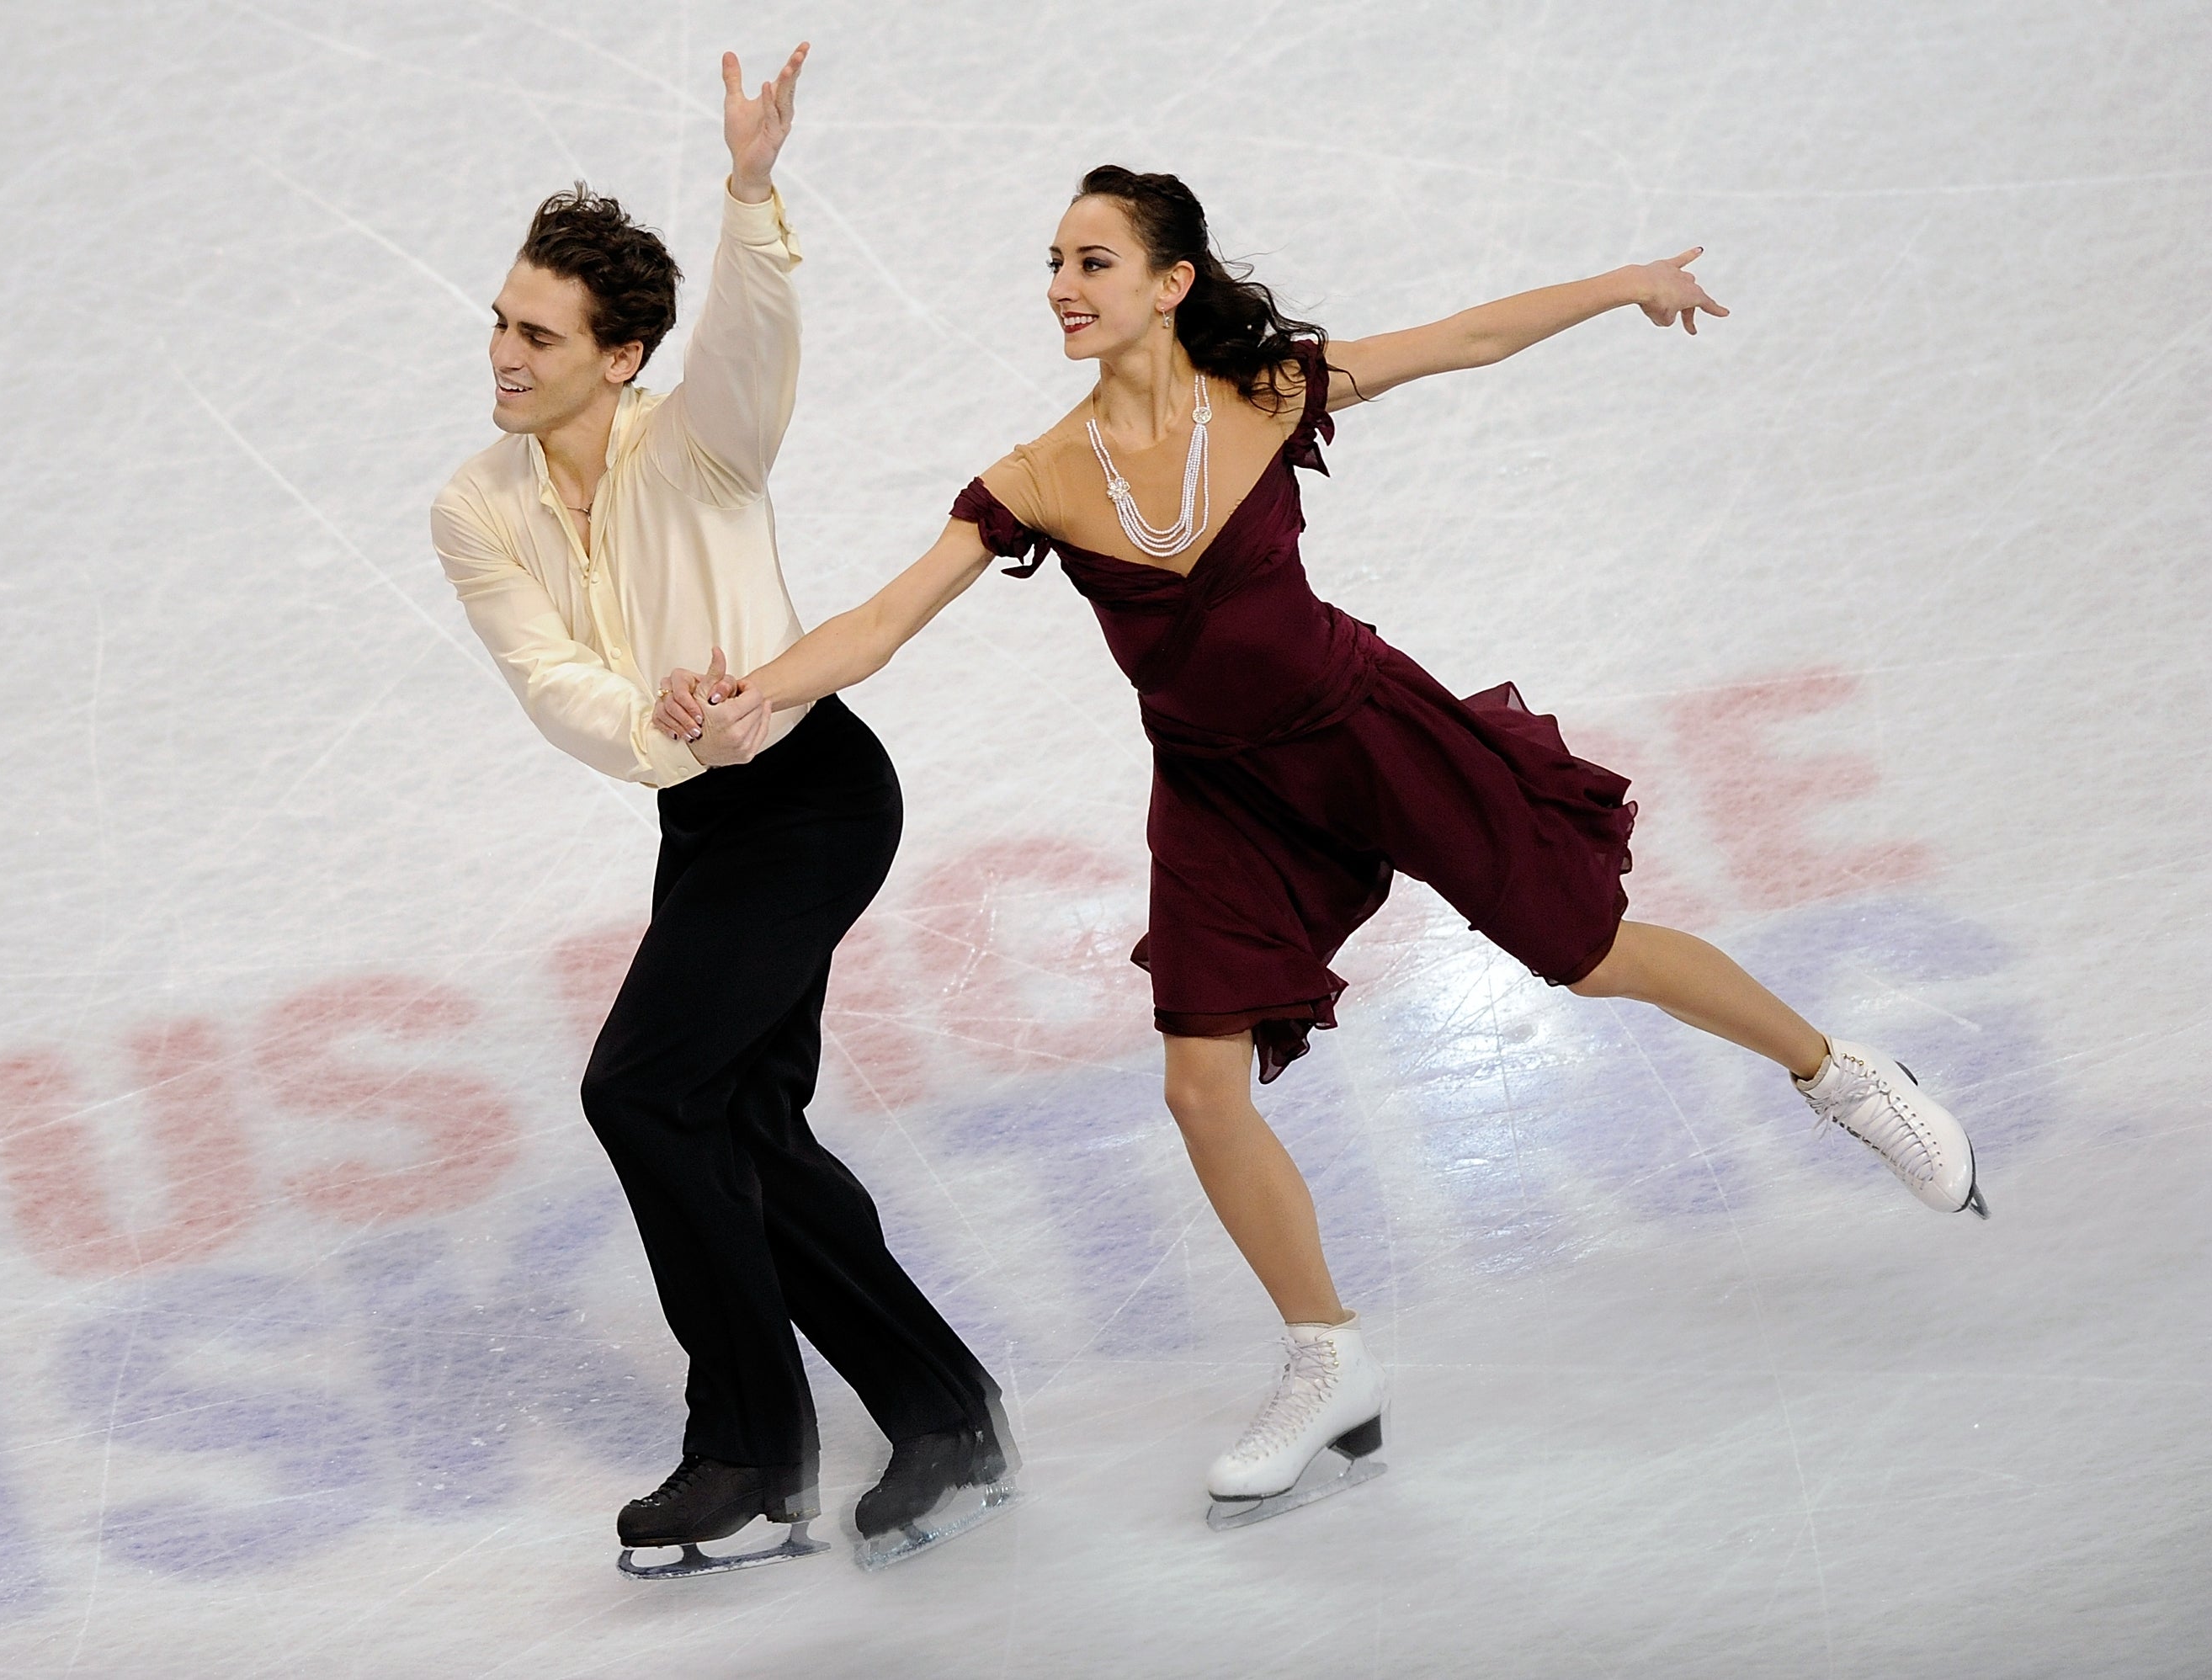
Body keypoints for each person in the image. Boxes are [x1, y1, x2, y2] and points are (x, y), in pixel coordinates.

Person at [657, 163, 1986, 1529]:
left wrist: (1627, 285)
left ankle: (1844, 1077)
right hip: (1224, 798)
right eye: (1053, 261)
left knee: (1586, 954)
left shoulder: (1271, 389)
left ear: (1171, 283)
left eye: (1094, 261)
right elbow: (879, 625)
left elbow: (1464, 338)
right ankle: (1327, 1360)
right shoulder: (1038, 477)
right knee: (1200, 1086)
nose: (1061, 286)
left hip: (1364, 730)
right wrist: (758, 695)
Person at [432, 45, 1013, 1576]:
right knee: (739, 1114)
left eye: (537, 331)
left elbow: (753, 350)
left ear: (619, 357)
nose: (502, 348)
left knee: (645, 1091)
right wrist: (659, 729)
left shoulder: (701, 447)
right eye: (500, 316)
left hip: (816, 798)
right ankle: (946, 1411)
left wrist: (751, 195)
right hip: (708, 821)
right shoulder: (475, 507)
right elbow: (550, 680)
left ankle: (753, 1453)